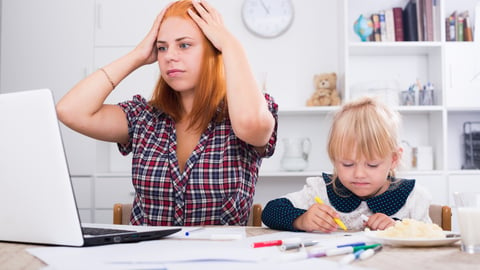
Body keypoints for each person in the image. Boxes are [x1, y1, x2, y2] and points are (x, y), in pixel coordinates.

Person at [56, 0, 278, 226]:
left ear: (214, 49)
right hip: (145, 258)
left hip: (219, 260)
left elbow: (251, 123)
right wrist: (138, 55)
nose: (169, 56)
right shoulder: (143, 116)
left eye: (184, 45)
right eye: (162, 47)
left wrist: (231, 45)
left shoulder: (250, 109)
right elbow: (70, 111)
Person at [262, 97, 432, 232]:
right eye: (347, 164)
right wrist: (302, 220)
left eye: (372, 165)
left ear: (393, 159)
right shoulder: (319, 190)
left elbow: (430, 237)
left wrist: (399, 229)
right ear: (334, 159)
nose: (359, 174)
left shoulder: (413, 199)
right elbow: (271, 211)